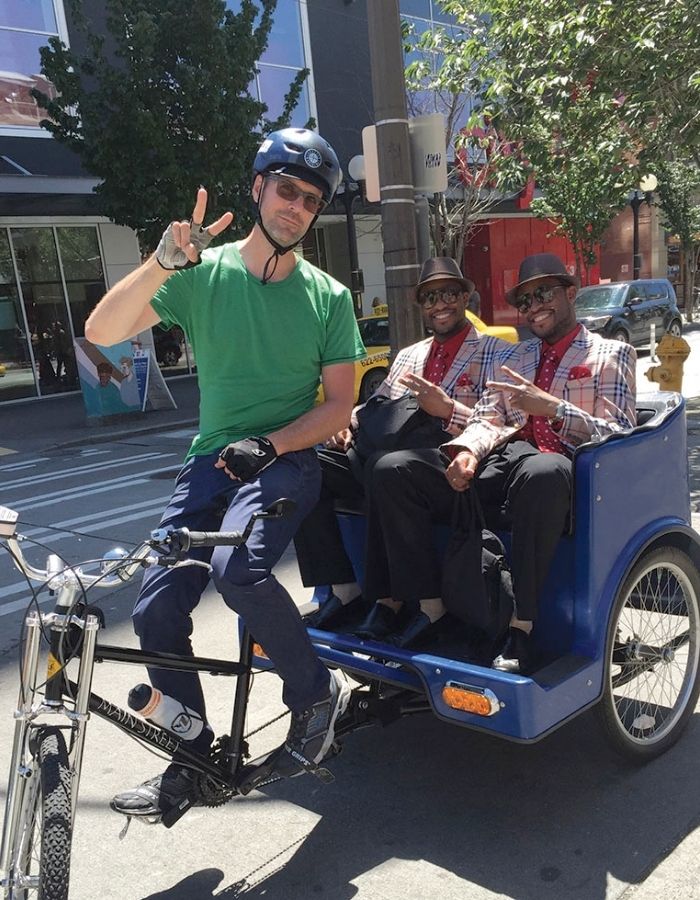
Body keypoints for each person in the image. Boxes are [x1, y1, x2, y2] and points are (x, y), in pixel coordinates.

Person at [84, 128, 366, 820]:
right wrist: (160, 262)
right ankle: (194, 754)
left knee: (237, 572)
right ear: (258, 189)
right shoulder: (201, 274)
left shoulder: (327, 296)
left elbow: (339, 406)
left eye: (312, 198)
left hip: (288, 460)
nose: (297, 206)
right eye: (286, 188)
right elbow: (102, 329)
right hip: (209, 463)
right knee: (153, 608)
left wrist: (269, 447)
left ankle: (313, 694)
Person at [373, 252, 636, 672]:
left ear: (571, 293)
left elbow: (622, 436)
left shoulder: (610, 352)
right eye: (526, 300)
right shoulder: (516, 357)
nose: (535, 306)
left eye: (543, 293)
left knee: (542, 470)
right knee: (394, 470)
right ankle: (429, 605)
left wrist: (555, 410)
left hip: (567, 466)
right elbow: (488, 417)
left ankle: (522, 626)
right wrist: (466, 453)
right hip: (505, 459)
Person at [294, 256, 513, 648]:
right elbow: (378, 405)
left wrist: (447, 410)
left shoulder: (497, 353)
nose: (439, 304)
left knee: (389, 469)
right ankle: (344, 588)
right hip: (394, 460)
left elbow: (501, 422)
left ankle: (425, 604)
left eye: (448, 293)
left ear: (465, 296)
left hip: (455, 465)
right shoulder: (411, 355)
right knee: (305, 464)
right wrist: (347, 422)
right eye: (430, 297)